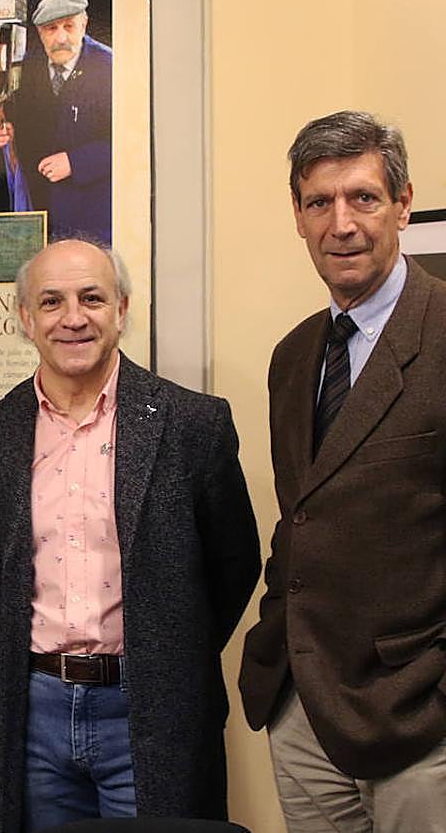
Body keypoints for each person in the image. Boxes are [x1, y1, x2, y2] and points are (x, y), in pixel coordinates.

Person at [0, 239, 259, 832]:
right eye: (52, 302)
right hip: (32, 711)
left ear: (121, 310)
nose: (73, 318)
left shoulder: (193, 425)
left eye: (92, 298)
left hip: (150, 708)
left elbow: (234, 566)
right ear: (25, 318)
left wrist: (163, 653)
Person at [239, 110, 446, 832]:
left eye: (363, 197)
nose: (342, 223)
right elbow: (303, 515)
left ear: (403, 203)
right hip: (302, 710)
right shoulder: (293, 356)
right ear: (298, 216)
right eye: (319, 202)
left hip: (419, 720)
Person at [0, 0, 112, 242]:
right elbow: (18, 125)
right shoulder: (25, 68)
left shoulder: (111, 67)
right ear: (39, 31)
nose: (60, 38)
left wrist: (76, 162)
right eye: (51, 28)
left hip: (95, 221)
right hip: (41, 218)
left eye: (68, 26)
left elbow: (132, 141)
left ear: (84, 23)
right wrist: (7, 135)